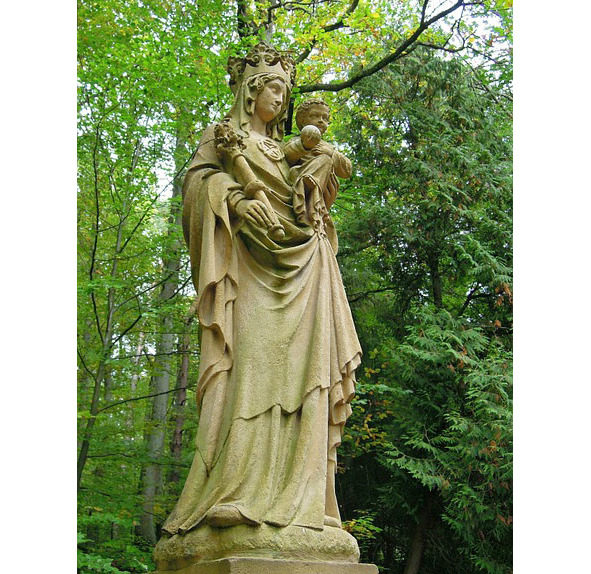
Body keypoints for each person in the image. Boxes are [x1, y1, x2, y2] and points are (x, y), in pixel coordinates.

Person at [161, 42, 362, 538]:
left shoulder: (288, 150)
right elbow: (195, 189)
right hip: (248, 265)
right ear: (251, 91)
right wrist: (233, 200)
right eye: (274, 87)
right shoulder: (221, 135)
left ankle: (310, 500)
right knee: (251, 365)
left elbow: (306, 196)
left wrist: (317, 185)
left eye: (286, 91)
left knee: (307, 374)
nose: (281, 98)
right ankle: (235, 489)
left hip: (306, 264)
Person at [283, 98, 352, 244]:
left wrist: (332, 153)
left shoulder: (327, 147)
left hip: (322, 192)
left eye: (325, 118)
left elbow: (347, 170)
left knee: (326, 159)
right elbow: (285, 156)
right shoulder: (297, 140)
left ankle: (313, 203)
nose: (321, 121)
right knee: (325, 160)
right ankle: (304, 186)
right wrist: (303, 145)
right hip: (298, 180)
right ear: (302, 121)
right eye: (315, 116)